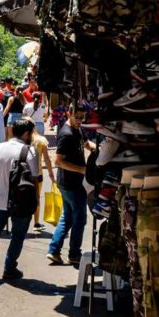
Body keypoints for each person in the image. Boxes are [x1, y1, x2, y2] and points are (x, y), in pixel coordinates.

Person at [0, 119, 41, 281]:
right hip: (21, 202)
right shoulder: (30, 151)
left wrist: (0, 186)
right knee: (18, 236)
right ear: (26, 134)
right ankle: (9, 268)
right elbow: (35, 177)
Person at [47, 103, 96, 266]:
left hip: (73, 183)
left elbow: (87, 144)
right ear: (69, 113)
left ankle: (54, 250)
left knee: (67, 217)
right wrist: (82, 170)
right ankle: (74, 254)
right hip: (70, 183)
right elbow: (58, 161)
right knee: (80, 219)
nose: (80, 121)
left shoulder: (79, 129)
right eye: (77, 117)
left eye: (82, 118)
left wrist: (99, 149)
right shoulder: (66, 134)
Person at [29, 117, 55, 232]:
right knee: (36, 198)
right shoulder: (41, 140)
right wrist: (51, 174)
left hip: (23, 173)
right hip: (37, 174)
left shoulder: (21, 140)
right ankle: (36, 223)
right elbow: (47, 159)